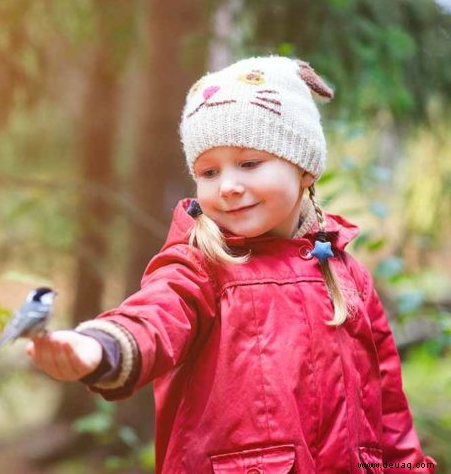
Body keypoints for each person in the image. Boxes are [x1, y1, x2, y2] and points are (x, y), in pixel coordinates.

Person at [26, 56, 437, 473]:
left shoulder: (349, 278)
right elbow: (157, 314)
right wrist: (104, 345)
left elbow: (390, 411)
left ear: (305, 169)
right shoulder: (202, 268)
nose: (228, 187)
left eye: (249, 163)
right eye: (208, 171)